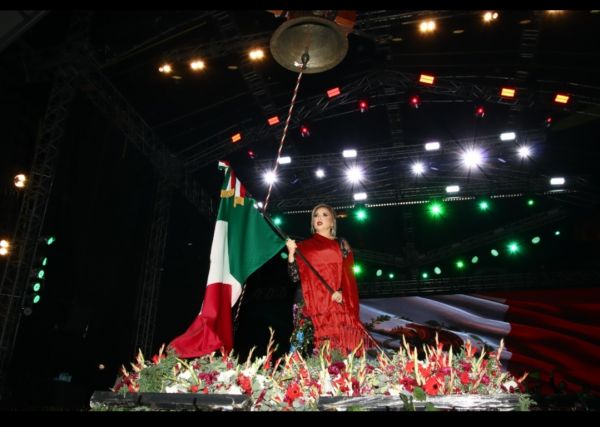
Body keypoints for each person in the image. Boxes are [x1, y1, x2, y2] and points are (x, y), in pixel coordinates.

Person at [286, 203, 375, 356]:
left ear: (332, 221)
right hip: (308, 302)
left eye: (324, 215)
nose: (319, 218)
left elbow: (348, 275)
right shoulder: (303, 246)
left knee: (340, 346)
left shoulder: (341, 243)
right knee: (304, 346)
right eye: (316, 215)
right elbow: (294, 277)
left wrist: (341, 291)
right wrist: (291, 254)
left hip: (335, 301)